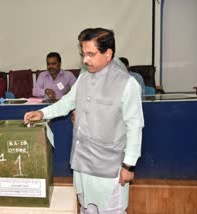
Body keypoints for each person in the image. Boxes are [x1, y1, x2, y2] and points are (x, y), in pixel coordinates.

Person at [24, 28, 144, 213]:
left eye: (90, 54)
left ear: (108, 53)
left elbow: (135, 127)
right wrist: (42, 113)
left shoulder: (127, 84)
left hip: (109, 169)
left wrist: (128, 165)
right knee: (86, 209)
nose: (85, 60)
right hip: (82, 164)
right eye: (83, 54)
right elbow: (66, 103)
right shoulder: (84, 77)